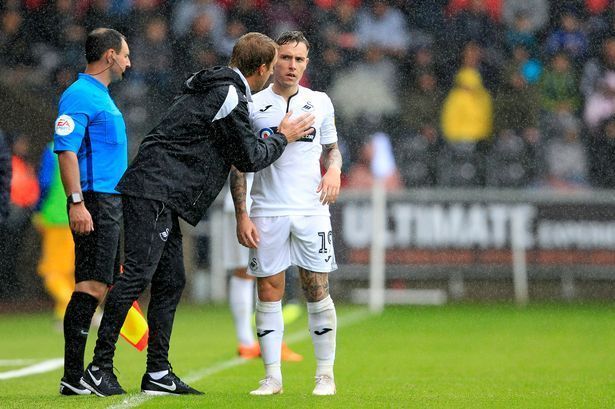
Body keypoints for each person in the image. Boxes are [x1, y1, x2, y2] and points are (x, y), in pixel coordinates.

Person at [81, 32, 315, 397]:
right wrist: (283, 136)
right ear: (263, 68)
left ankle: (158, 371)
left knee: (172, 279)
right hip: (155, 189)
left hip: (160, 191)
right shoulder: (230, 95)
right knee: (137, 274)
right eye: (273, 66)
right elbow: (250, 157)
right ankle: (99, 367)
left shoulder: (219, 87)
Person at [231, 31, 341, 396]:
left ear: (307, 64)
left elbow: (333, 149)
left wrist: (334, 170)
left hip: (312, 210)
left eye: (299, 59)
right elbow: (240, 165)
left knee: (316, 289)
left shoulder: (320, 102)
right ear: (272, 60)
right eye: (285, 58)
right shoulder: (251, 105)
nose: (292, 65)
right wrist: (241, 215)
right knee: (269, 290)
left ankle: (325, 374)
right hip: (267, 210)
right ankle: (272, 376)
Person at [52, 27, 131, 396]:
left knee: (102, 283)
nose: (129, 61)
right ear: (110, 56)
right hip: (95, 200)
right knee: (91, 283)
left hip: (109, 200)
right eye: (125, 54)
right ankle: (74, 375)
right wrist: (77, 202)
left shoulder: (101, 96)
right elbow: (66, 150)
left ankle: (80, 374)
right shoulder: (79, 95)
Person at [223, 175, 303, 362]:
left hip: (264, 199)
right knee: (251, 271)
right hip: (251, 200)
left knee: (260, 271)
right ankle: (250, 342)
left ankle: (258, 341)